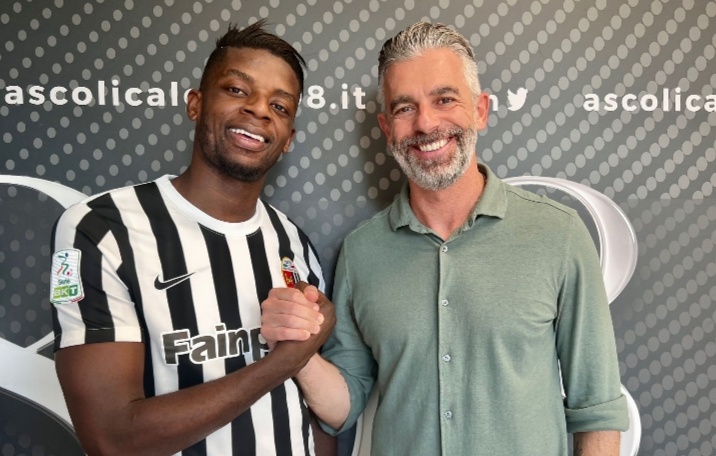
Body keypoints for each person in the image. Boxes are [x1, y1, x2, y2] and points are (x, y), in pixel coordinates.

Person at [260, 22, 629, 455]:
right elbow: (343, 408)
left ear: (480, 110)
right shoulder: (361, 251)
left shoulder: (559, 235)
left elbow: (597, 410)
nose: (426, 123)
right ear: (387, 128)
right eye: (404, 108)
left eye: (445, 100)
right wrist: (298, 351)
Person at [50, 20, 336, 456]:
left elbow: (311, 416)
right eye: (237, 90)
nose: (259, 110)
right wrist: (285, 360)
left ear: (288, 140)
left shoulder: (292, 242)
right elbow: (112, 438)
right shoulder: (101, 229)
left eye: (280, 106)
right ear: (195, 104)